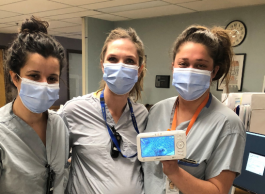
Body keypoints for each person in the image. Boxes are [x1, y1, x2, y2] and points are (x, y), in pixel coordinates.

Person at [143, 26, 246, 194]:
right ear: (173, 67)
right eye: (183, 64)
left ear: (214, 71)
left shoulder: (228, 125)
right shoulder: (157, 111)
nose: (190, 71)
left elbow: (218, 190)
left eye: (200, 65)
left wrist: (174, 171)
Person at [60, 28, 148, 194]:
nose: (120, 66)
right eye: (113, 59)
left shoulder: (142, 115)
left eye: (129, 61)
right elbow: (55, 164)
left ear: (139, 69)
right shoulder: (74, 111)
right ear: (102, 65)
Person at [0, 16, 69, 194]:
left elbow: (61, 177)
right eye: (34, 76)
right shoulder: (2, 133)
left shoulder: (59, 126)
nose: (44, 84)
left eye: (52, 78)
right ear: (15, 77)